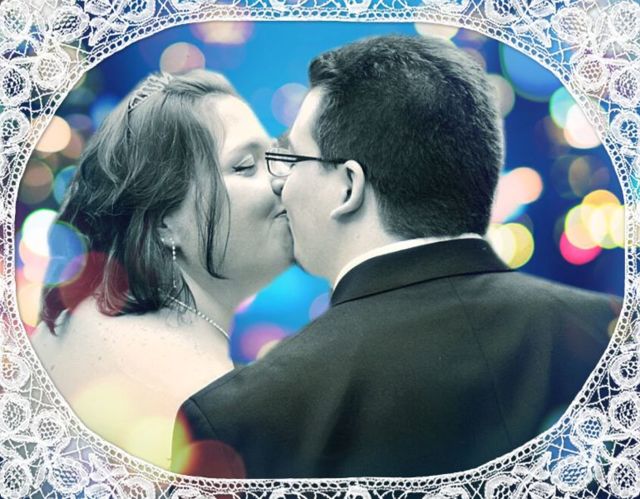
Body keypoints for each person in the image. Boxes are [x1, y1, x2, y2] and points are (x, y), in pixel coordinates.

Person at [171, 36, 621, 478]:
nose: (280, 185)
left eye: (292, 159)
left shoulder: (234, 423)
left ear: (348, 187)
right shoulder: (614, 341)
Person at [30, 70, 293, 469]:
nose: (283, 179)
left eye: (273, 157)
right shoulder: (207, 400)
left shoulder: (75, 321)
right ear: (165, 222)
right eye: (245, 166)